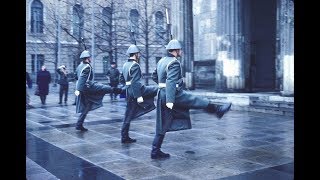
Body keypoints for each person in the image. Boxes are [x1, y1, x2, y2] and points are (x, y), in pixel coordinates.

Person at [150, 39, 232, 159]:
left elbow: (154, 76)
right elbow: (171, 82)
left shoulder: (161, 61)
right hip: (173, 94)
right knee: (195, 100)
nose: (181, 51)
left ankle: (155, 151)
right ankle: (217, 110)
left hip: (162, 93)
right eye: (180, 50)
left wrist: (162, 85)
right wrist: (170, 101)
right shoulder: (174, 63)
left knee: (162, 124)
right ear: (176, 50)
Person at [74, 50, 123, 131]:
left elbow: (76, 76)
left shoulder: (80, 66)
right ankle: (115, 90)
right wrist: (80, 89)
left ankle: (79, 124)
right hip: (86, 87)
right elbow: (83, 80)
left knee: (87, 106)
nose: (91, 59)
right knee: (101, 88)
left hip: (82, 87)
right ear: (87, 58)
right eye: (90, 57)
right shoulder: (87, 67)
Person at [119, 45, 158, 143]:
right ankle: (124, 137)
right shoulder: (135, 65)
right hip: (136, 91)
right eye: (138, 54)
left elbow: (121, 79)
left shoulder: (125, 65)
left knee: (128, 114)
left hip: (128, 91)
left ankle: (124, 136)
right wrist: (139, 96)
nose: (139, 55)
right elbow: (135, 82)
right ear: (135, 54)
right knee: (156, 90)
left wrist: (127, 86)